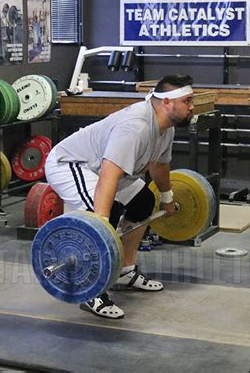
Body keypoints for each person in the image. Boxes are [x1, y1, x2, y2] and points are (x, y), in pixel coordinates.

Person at [45, 74, 195, 319]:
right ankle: (91, 289)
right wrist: (102, 224)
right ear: (167, 103)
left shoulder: (165, 127)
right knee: (106, 214)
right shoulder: (134, 127)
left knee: (144, 203)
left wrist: (167, 198)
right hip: (72, 165)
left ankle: (125, 271)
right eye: (188, 101)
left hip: (105, 170)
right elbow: (108, 176)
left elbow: (159, 166)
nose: (192, 107)